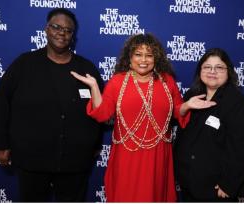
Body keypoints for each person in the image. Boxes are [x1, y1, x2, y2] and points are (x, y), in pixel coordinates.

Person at [70, 33, 215, 202]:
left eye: (149, 55)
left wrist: (187, 105)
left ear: (156, 58)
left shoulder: (167, 81)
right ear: (129, 57)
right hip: (127, 156)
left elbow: (176, 112)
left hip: (158, 155)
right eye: (138, 54)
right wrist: (95, 87)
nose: (143, 60)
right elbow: (103, 114)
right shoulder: (117, 81)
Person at [0, 8, 103, 202]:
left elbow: (100, 110)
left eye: (68, 30)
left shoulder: (86, 68)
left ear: (73, 36)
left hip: (75, 161)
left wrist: (95, 143)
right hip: (31, 159)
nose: (62, 32)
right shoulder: (24, 64)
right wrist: (1, 145)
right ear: (46, 29)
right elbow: (3, 105)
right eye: (56, 27)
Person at [173, 48, 244, 202]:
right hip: (189, 182)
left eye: (219, 67)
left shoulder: (238, 104)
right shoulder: (192, 95)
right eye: (207, 67)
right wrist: (185, 107)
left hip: (215, 188)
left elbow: (240, 149)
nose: (212, 71)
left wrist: (228, 184)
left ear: (228, 71)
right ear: (200, 70)